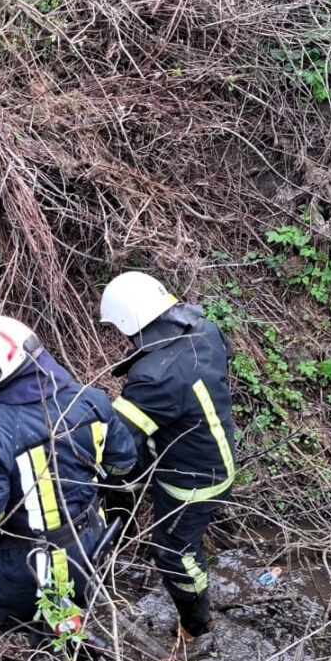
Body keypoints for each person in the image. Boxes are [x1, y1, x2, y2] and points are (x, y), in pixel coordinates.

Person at [0, 315, 138, 639]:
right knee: (67, 623)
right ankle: (71, 647)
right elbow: (123, 464)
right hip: (94, 541)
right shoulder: (91, 399)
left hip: (37, 562)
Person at [100, 272, 237, 641]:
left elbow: (116, 438)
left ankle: (198, 627)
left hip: (191, 479)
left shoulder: (154, 376)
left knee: (173, 553)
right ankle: (125, 529)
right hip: (211, 447)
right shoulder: (204, 329)